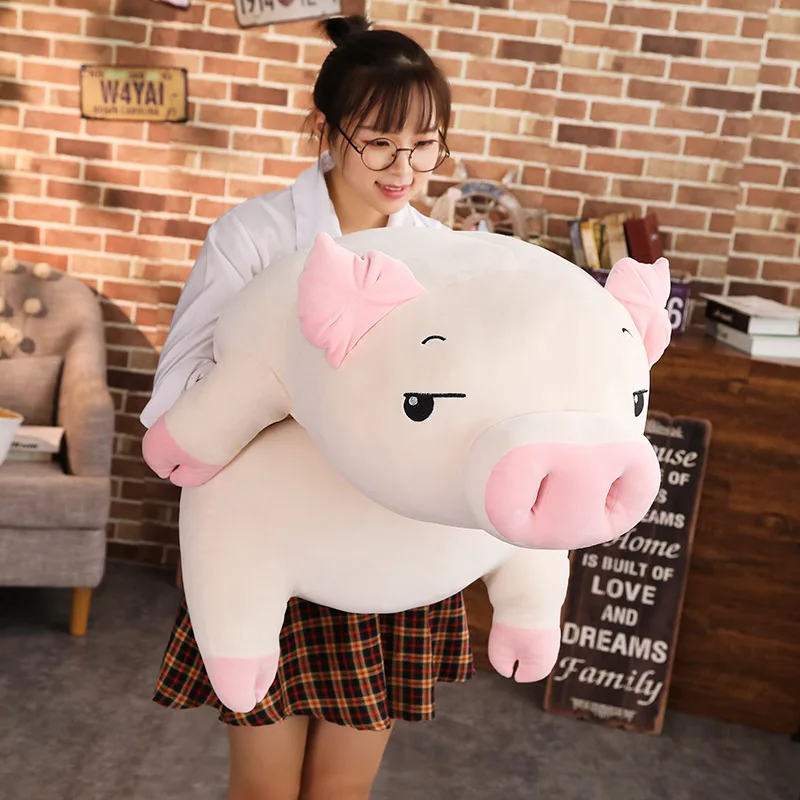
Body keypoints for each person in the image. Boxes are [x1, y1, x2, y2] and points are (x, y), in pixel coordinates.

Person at [140, 15, 474, 800]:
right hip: (271, 550)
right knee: (263, 788)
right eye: (379, 143)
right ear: (325, 129)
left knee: (340, 791)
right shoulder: (254, 236)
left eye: (425, 144)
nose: (404, 168)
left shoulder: (440, 255)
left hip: (388, 545)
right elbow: (177, 395)